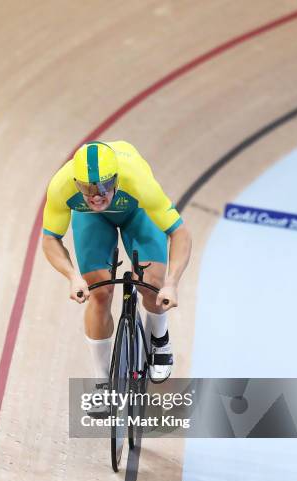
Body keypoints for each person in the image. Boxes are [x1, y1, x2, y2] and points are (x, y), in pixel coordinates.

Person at [42, 140, 191, 384]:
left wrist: (171, 283)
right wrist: (72, 277)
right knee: (99, 293)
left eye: (104, 187)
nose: (97, 195)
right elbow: (50, 239)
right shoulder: (61, 185)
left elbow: (180, 233)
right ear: (76, 183)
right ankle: (102, 380)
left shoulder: (137, 179)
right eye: (88, 189)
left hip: (137, 212)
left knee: (151, 283)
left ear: (117, 179)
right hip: (92, 220)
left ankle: (160, 339)